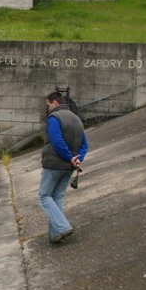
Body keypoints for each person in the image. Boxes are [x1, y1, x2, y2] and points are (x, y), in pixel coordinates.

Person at [39, 91, 89, 243]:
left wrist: (69, 157)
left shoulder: (54, 118)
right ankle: (55, 235)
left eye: (48, 105)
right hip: (69, 166)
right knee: (57, 196)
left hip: (54, 164)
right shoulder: (77, 119)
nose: (47, 108)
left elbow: (57, 141)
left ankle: (62, 227)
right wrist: (77, 159)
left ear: (55, 103)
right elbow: (85, 144)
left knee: (44, 196)